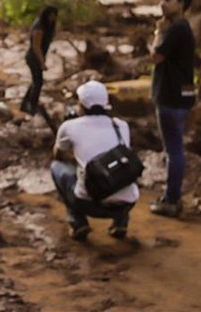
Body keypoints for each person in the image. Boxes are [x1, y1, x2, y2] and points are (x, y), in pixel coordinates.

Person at [51, 80, 139, 241]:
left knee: (56, 167)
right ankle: (120, 222)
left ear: (81, 105)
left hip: (88, 203)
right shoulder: (121, 126)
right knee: (120, 169)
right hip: (126, 204)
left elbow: (58, 155)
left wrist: (76, 154)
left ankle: (77, 221)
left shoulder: (69, 126)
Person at [149, 0, 196, 217]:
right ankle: (172, 195)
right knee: (176, 148)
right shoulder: (184, 27)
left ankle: (171, 199)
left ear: (181, 4)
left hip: (170, 96)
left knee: (174, 150)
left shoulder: (175, 29)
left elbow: (155, 56)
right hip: (183, 94)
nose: (162, 3)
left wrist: (158, 32)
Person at [20, 6, 58, 115]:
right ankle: (32, 106)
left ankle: (25, 104)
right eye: (51, 16)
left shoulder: (48, 26)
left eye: (54, 16)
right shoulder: (39, 27)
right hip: (33, 57)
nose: (52, 18)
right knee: (38, 82)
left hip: (38, 56)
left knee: (36, 81)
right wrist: (42, 62)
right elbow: (36, 47)